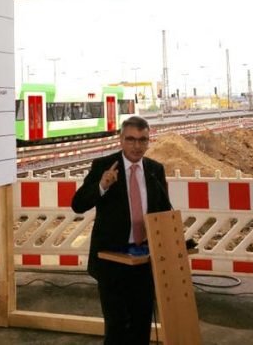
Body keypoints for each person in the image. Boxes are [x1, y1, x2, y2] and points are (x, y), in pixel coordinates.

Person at [71, 115, 172, 345]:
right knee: (116, 329)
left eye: (142, 140)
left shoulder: (155, 170)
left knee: (141, 326)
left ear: (149, 141)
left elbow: (164, 211)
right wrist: (102, 186)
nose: (137, 146)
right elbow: (78, 204)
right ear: (121, 140)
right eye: (131, 140)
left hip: (143, 262)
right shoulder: (104, 166)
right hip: (112, 262)